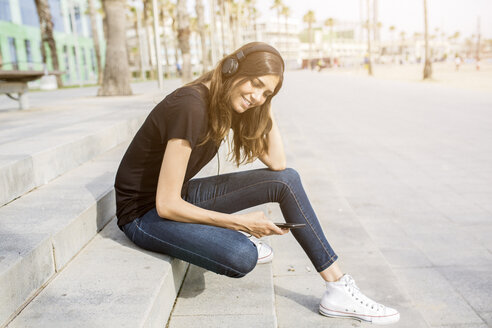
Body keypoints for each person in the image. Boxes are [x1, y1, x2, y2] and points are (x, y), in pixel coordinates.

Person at [114, 42, 400, 325]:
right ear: (231, 69)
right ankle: (232, 236)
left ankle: (338, 287)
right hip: (142, 215)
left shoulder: (228, 103)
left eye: (267, 92)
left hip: (179, 196)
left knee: (287, 180)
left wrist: (266, 102)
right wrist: (238, 223)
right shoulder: (191, 106)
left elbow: (277, 164)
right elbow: (166, 205)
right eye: (255, 84)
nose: (257, 97)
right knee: (242, 254)